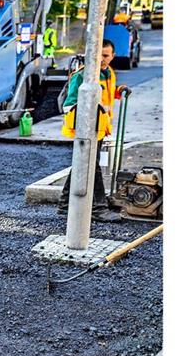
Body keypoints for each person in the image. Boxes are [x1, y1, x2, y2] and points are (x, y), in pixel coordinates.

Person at [58, 39, 131, 223]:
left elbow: (105, 93)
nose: (102, 59)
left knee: (82, 164)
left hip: (99, 128)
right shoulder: (83, 75)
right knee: (92, 165)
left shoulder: (108, 73)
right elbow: (70, 103)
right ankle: (98, 208)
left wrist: (118, 91)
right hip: (86, 129)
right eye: (98, 55)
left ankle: (65, 204)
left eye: (106, 56)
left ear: (113, 56)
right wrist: (85, 121)